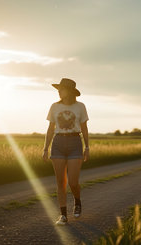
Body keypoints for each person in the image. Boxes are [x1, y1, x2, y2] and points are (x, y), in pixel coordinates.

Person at [42, 78, 90, 225]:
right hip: (58, 143)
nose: (58, 92)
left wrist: (87, 147)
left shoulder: (80, 106)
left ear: (69, 91)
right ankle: (63, 215)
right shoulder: (54, 107)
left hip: (75, 142)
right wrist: (45, 148)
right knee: (60, 182)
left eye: (61, 89)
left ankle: (77, 201)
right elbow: (50, 129)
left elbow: (84, 128)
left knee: (73, 182)